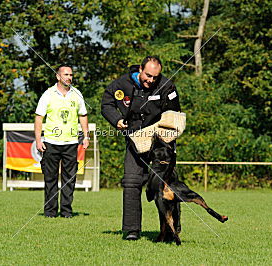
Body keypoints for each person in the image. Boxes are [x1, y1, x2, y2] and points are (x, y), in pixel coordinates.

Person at [101, 56, 181, 240]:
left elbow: (174, 115)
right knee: (131, 182)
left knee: (167, 187)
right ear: (140, 69)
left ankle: (171, 229)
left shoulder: (167, 86)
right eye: (148, 76)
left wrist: (169, 142)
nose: (151, 80)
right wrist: (117, 120)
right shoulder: (122, 84)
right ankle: (132, 230)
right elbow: (106, 104)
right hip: (134, 141)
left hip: (160, 143)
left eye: (155, 77)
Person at [35, 65, 89, 218]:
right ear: (58, 76)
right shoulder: (48, 94)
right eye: (65, 74)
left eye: (71, 74)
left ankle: (66, 211)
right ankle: (50, 212)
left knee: (69, 179)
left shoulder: (77, 94)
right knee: (50, 178)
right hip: (51, 142)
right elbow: (39, 118)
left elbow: (83, 115)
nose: (69, 77)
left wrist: (86, 136)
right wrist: (39, 140)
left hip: (71, 143)